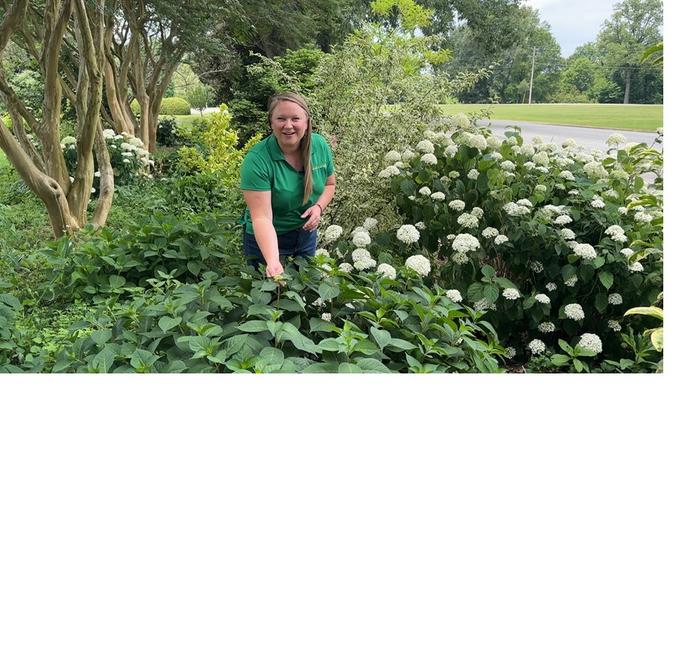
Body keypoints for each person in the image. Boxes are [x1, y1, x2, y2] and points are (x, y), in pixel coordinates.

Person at [239, 92, 336, 277]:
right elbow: (261, 218)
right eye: (281, 118)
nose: (288, 125)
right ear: (271, 123)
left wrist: (318, 207)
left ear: (306, 123)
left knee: (304, 292)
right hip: (266, 239)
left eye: (295, 118)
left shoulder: (320, 146)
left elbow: (330, 184)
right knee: (267, 296)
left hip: (305, 234)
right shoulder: (257, 160)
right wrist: (273, 260)